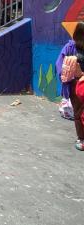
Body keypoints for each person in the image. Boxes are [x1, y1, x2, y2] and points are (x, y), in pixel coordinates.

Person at [56, 22, 84, 151]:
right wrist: (73, 73)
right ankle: (81, 138)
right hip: (76, 85)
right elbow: (60, 65)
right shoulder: (70, 47)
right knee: (78, 113)